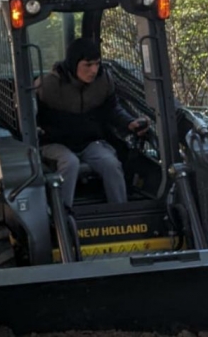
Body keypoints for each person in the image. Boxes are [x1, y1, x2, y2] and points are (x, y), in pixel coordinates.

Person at [35, 37, 150, 208]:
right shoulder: (48, 85)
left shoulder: (104, 81)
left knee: (111, 163)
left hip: (88, 142)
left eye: (97, 64)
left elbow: (112, 109)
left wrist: (129, 123)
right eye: (88, 65)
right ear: (74, 64)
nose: (94, 70)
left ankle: (120, 213)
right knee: (70, 163)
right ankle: (62, 215)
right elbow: (29, 111)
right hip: (54, 143)